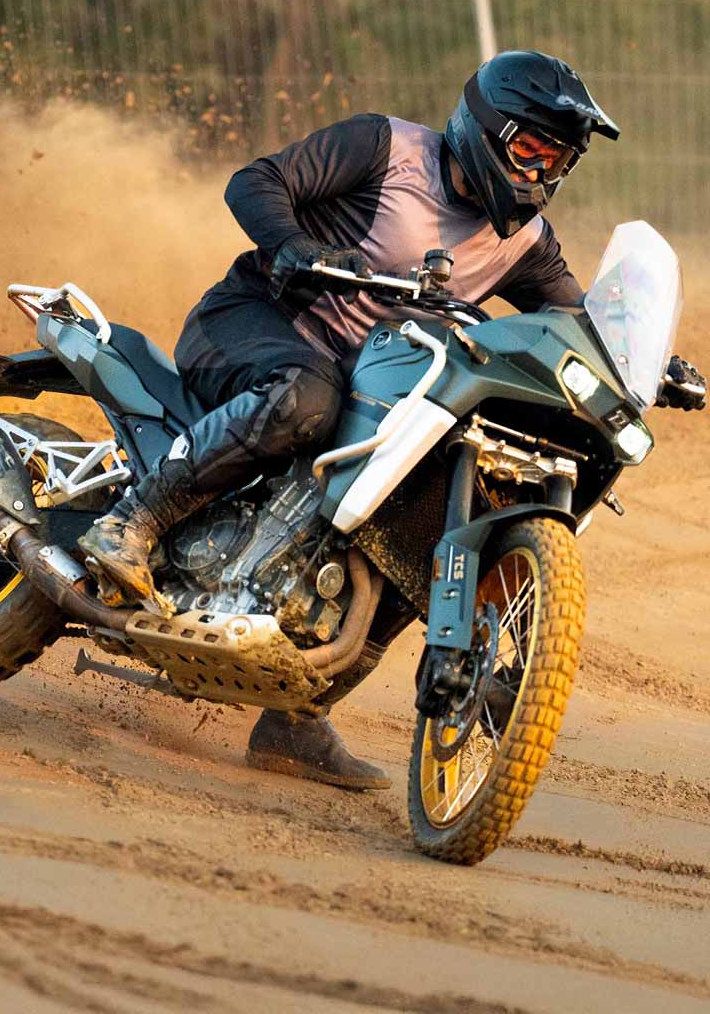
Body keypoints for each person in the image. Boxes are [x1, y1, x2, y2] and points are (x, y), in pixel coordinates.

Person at [80, 49, 706, 789]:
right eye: (531, 150)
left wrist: (651, 364)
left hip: (368, 386)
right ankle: (132, 522)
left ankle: (296, 718)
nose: (541, 173)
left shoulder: (524, 243)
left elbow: (581, 321)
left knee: (420, 518)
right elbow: (256, 181)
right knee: (307, 398)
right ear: (488, 128)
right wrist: (294, 245)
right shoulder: (386, 149)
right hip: (257, 324)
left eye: (557, 161)